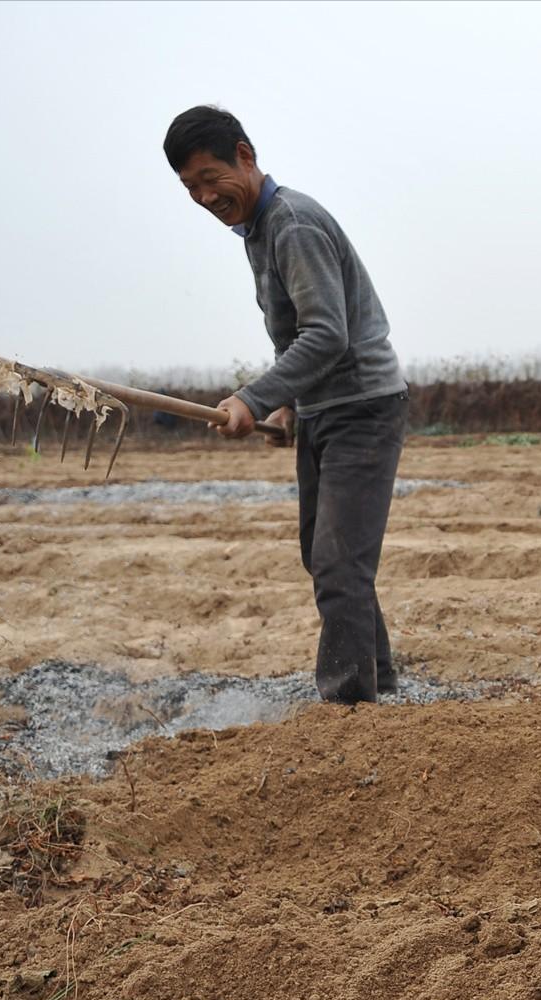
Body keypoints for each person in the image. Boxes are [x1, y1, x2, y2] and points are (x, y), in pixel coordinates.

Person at [163, 105, 408, 704]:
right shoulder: (258, 228)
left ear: (244, 156)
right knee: (323, 553)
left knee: (337, 559)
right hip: (326, 408)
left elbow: (328, 333)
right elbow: (294, 332)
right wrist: (289, 405)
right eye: (189, 188)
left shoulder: (291, 223)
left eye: (208, 178)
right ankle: (380, 681)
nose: (202, 197)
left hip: (363, 408)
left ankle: (350, 704)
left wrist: (254, 396)